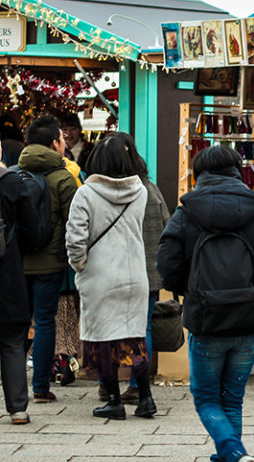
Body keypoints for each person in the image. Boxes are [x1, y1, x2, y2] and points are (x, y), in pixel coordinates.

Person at [157, 145, 254, 462]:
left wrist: (189, 290)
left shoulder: (186, 213)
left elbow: (167, 266)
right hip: (249, 318)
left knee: (205, 397)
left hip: (206, 319)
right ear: (237, 171)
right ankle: (231, 455)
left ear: (199, 173)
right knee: (233, 398)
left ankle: (232, 452)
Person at [64, 132, 154, 420]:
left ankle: (114, 400)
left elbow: (75, 239)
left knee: (105, 340)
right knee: (133, 337)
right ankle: (146, 399)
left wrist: (80, 265)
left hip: (100, 277)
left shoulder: (86, 194)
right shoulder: (140, 191)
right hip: (134, 276)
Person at [97, 134, 170, 403]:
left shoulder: (101, 193)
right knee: (143, 327)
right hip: (148, 272)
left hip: (110, 272)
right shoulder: (150, 189)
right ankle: (138, 385)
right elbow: (166, 227)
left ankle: (108, 383)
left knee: (108, 328)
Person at [18, 114, 78, 403]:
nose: (65, 143)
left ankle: (14, 386)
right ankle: (40, 387)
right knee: (44, 321)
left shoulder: (13, 174)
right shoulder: (63, 177)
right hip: (51, 263)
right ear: (55, 142)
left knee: (16, 323)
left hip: (16, 262)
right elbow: (76, 222)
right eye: (63, 139)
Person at [0, 162, 40, 425]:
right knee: (13, 340)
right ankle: (17, 409)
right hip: (8, 270)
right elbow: (32, 228)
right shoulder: (12, 182)